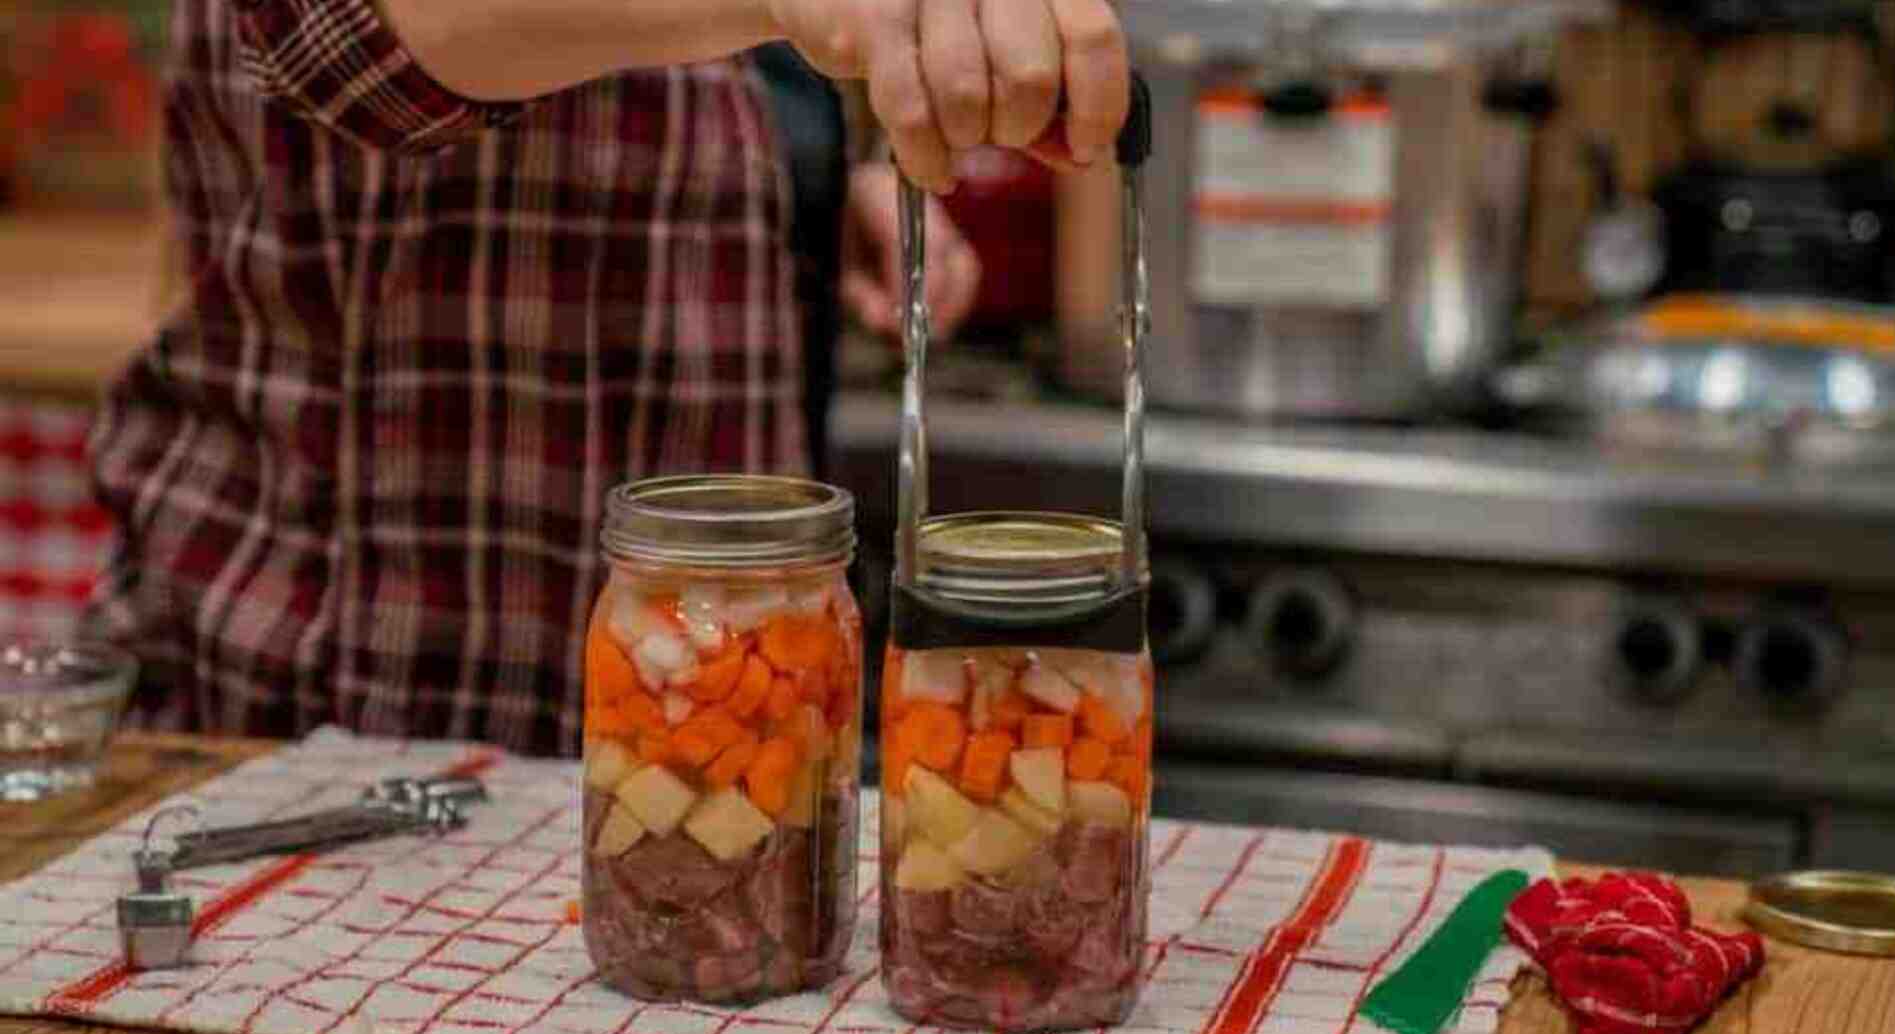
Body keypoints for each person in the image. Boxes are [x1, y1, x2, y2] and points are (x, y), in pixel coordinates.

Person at [85, 0, 1131, 754]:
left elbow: (694, 69)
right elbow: (330, 34)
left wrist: (819, 166)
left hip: (715, 713)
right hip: (335, 726)